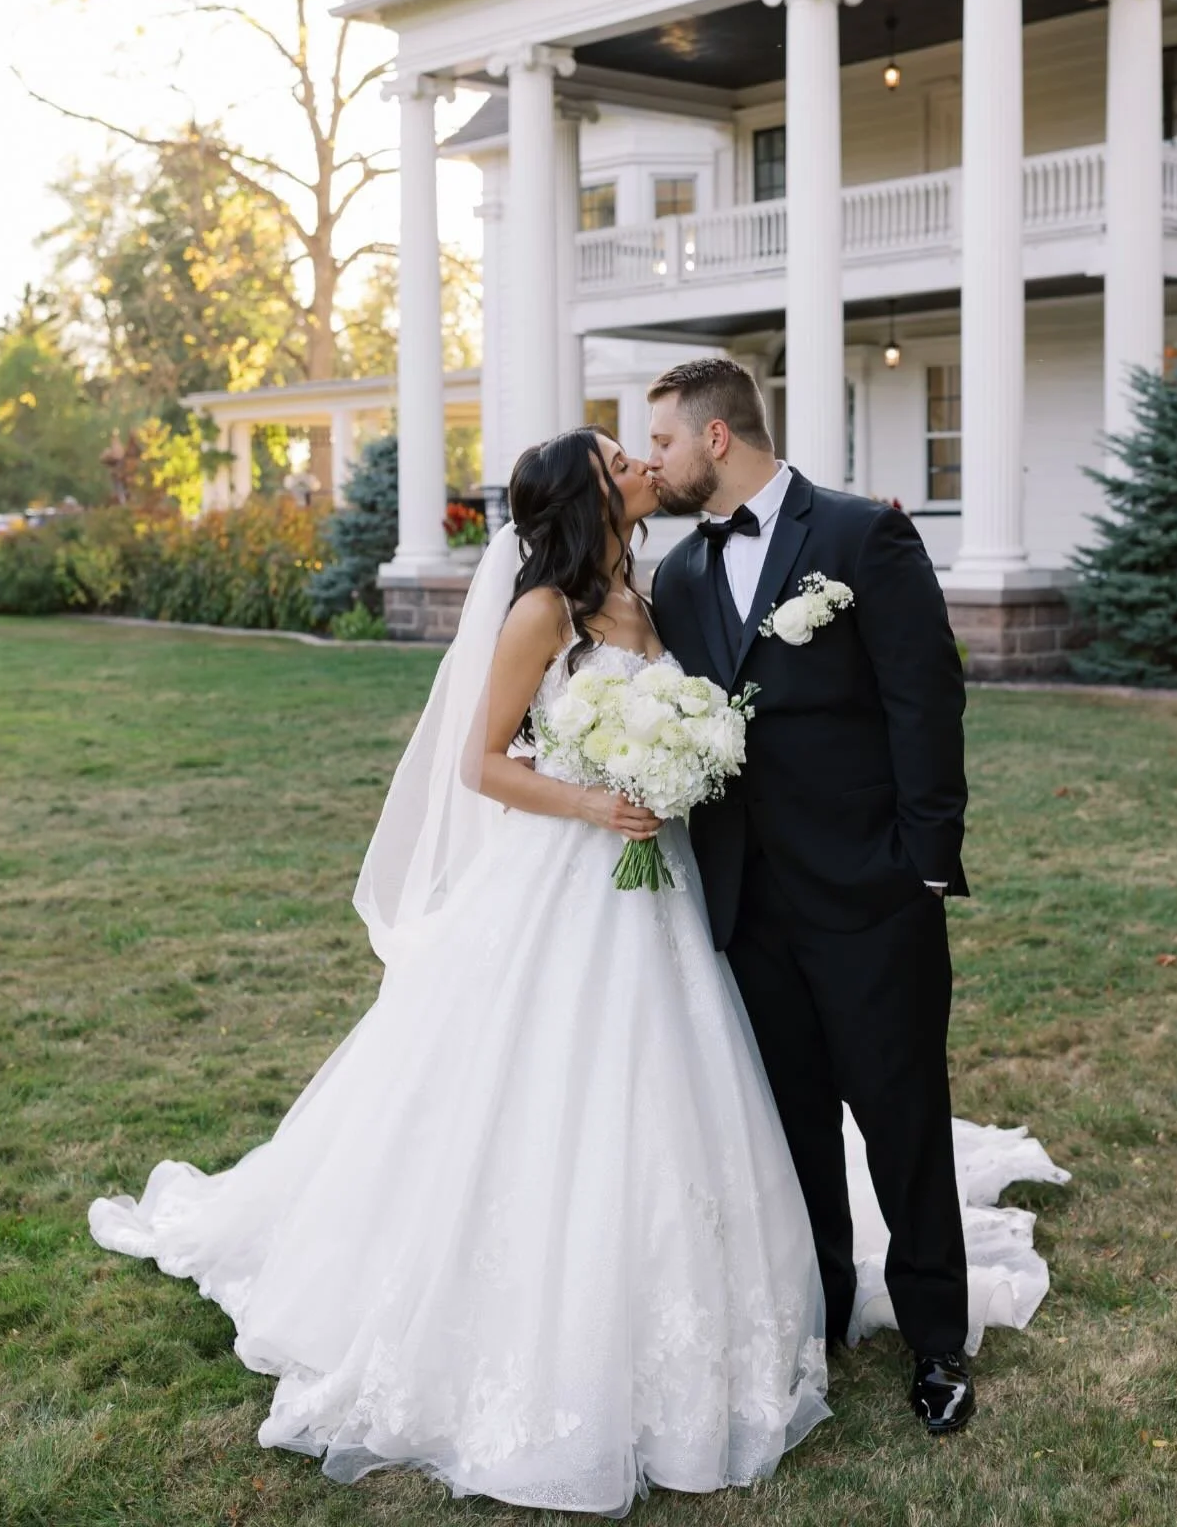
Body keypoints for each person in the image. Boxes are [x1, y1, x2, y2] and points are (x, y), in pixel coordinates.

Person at [88, 428, 831, 1517]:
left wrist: (674, 767)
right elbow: (483, 763)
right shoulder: (543, 613)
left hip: (655, 881)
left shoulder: (645, 597)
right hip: (568, 875)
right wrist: (593, 800)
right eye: (619, 460)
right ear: (588, 496)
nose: (641, 464)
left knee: (669, 1085)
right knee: (544, 1088)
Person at [647, 356, 979, 1433]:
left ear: (716, 436)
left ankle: (937, 1341)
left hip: (871, 890)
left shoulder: (860, 535)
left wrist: (924, 860)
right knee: (790, 1129)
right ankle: (821, 1314)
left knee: (902, 1120)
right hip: (744, 905)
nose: (654, 461)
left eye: (662, 440)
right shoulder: (678, 577)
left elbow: (925, 695)